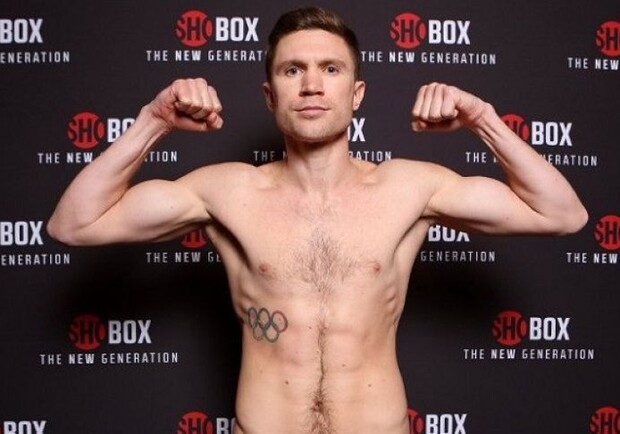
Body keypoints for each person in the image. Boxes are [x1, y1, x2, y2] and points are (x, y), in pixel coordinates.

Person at [47, 6, 588, 434]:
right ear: (270, 96)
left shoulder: (409, 188)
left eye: (330, 69)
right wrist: (153, 122)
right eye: (293, 70)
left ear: (356, 94)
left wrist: (483, 121)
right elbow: (73, 225)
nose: (311, 85)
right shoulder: (227, 191)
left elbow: (561, 214)